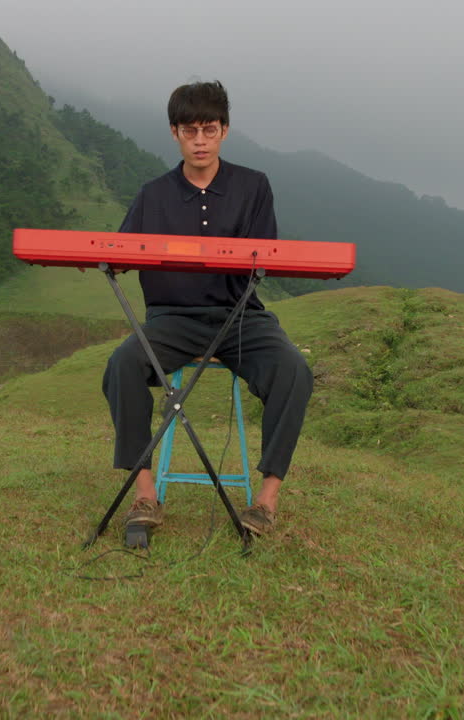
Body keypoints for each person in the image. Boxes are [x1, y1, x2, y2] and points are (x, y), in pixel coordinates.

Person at [102, 80, 313, 537]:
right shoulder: (152, 194)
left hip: (241, 318)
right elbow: (119, 250)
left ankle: (265, 502)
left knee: (294, 369)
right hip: (172, 320)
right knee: (122, 364)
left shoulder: (254, 187)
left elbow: (263, 258)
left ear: (225, 131)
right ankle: (145, 492)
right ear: (175, 132)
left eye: (210, 129)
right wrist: (101, 259)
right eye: (190, 130)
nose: (200, 140)